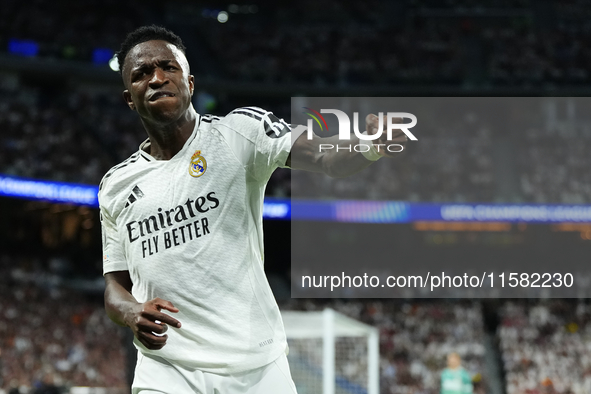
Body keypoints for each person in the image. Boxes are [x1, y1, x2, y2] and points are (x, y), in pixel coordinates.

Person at [100, 25, 407, 393]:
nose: (157, 78)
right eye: (142, 74)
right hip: (166, 368)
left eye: (169, 67)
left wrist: (368, 146)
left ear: (191, 82)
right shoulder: (114, 186)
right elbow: (115, 287)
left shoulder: (238, 133)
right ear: (129, 99)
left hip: (255, 367)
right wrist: (132, 312)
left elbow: (325, 156)